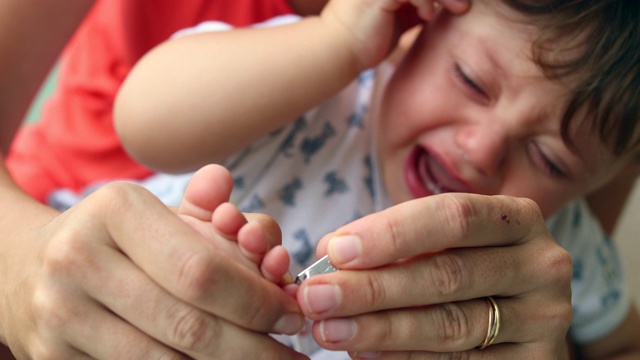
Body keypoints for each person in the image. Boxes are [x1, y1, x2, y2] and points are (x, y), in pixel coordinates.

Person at [114, 0, 640, 358]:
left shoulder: (552, 246)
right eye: (471, 81)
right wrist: (338, 40)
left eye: (551, 161)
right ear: (419, 26)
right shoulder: (321, 89)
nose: (481, 151)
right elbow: (141, 120)